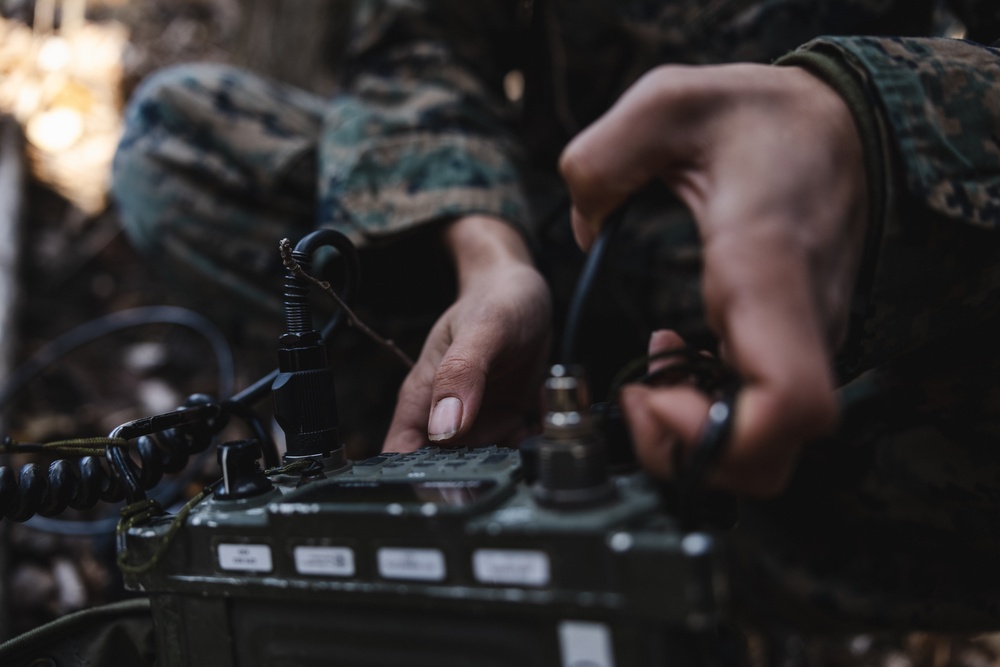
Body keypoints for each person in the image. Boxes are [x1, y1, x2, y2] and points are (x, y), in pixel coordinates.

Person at [112, 0, 1000, 639]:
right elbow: (420, 40)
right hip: (551, 231)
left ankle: (683, 545)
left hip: (850, 303)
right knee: (178, 142)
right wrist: (487, 256)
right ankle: (445, 478)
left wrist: (866, 130)